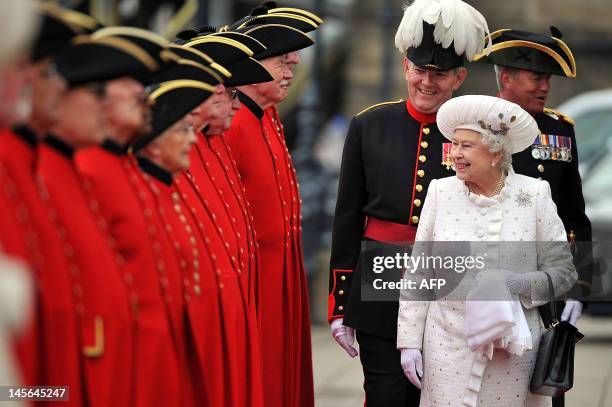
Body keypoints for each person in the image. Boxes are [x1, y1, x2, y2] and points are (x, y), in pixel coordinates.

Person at [328, 0, 489, 405]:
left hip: (448, 286)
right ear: (405, 67)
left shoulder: (476, 136)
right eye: (420, 70)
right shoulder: (368, 125)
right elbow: (347, 216)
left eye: (439, 74)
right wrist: (340, 300)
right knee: (385, 395)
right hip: (380, 280)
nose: (427, 82)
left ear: (460, 77)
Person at [397, 94, 577, 406]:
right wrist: (409, 342)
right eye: (455, 144)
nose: (455, 154)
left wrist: (515, 283)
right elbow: (419, 272)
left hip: (513, 356)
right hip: (447, 348)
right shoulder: (441, 192)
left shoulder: (534, 195)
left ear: (495, 153)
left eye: (466, 145)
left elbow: (563, 273)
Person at [221, 14, 320, 407]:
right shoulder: (235, 122)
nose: (291, 66)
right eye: (281, 60)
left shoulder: (266, 117)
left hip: (281, 267)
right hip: (256, 271)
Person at [474, 28, 591, 331]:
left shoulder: (559, 131)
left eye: (548, 79)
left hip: (546, 282)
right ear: (506, 78)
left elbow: (573, 216)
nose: (545, 87)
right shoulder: (474, 126)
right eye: (536, 78)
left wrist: (579, 285)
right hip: (484, 278)